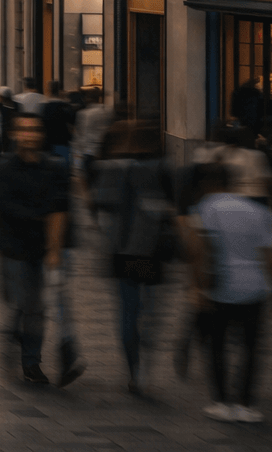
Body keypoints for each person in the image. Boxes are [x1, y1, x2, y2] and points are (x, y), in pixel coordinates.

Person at [186, 161, 272, 423]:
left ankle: (221, 403)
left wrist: (197, 286)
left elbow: (198, 250)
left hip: (219, 287)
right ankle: (246, 405)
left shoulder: (206, 207)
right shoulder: (259, 210)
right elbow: (271, 256)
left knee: (216, 345)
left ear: (207, 185)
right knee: (251, 347)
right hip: (255, 287)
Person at [0, 113, 82, 387]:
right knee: (29, 305)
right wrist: (41, 216)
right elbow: (6, 206)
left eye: (34, 130)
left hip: (47, 246)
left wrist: (55, 248)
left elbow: (61, 207)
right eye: (24, 129)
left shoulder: (55, 167)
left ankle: (30, 358)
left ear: (41, 135)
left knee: (41, 306)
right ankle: (26, 351)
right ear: (14, 134)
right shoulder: (3, 166)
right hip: (14, 248)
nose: (29, 134)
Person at [91, 118, 175, 395]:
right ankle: (145, 363)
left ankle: (134, 369)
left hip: (121, 249)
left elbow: (100, 205)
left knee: (127, 311)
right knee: (150, 310)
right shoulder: (161, 167)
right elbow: (172, 206)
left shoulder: (111, 168)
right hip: (150, 249)